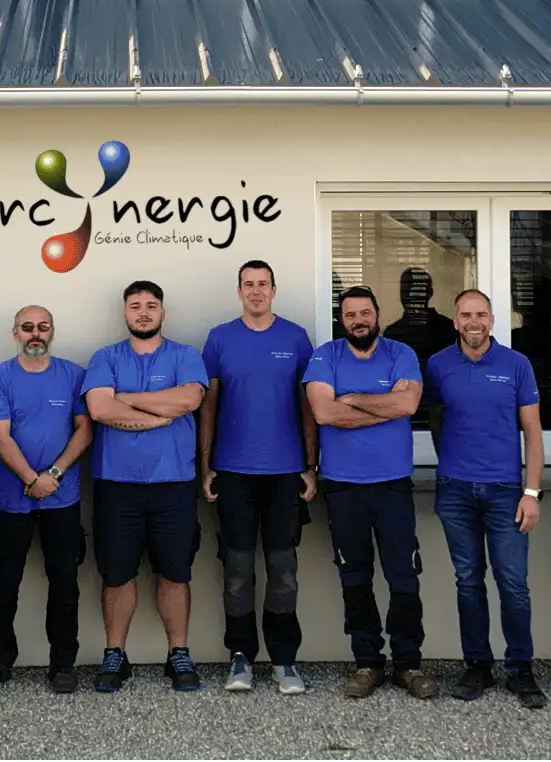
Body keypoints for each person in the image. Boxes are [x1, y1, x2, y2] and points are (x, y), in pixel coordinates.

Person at [302, 285, 437, 700]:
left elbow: (407, 406)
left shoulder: (401, 354)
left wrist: (353, 400)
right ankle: (368, 663)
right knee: (354, 577)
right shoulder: (326, 356)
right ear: (341, 320)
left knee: (403, 576)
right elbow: (323, 411)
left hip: (392, 484)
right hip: (343, 486)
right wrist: (383, 405)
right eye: (350, 315)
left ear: (377, 314)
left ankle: (409, 665)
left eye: (365, 313)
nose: (358, 321)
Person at [82, 280, 210, 693]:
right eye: (135, 305)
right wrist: (157, 415)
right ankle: (115, 655)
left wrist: (127, 398)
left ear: (162, 312)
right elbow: (99, 408)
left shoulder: (185, 355)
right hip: (117, 484)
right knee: (117, 573)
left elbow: (189, 400)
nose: (143, 312)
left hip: (173, 482)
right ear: (125, 313)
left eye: (151, 305)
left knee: (175, 571)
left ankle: (179, 653)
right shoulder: (105, 357)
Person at [423, 289, 548, 708]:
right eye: (465, 315)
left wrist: (531, 492)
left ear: (492, 320)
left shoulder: (516, 365)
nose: (473, 322)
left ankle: (520, 668)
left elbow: (533, 433)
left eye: (481, 314)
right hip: (455, 490)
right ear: (455, 321)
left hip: (505, 492)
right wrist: (451, 464)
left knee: (513, 583)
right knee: (468, 580)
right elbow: (437, 422)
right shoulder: (439, 365)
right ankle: (477, 664)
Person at [197, 260, 316, 695]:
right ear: (239, 291)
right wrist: (206, 466)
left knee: (283, 569)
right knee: (237, 570)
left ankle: (284, 659)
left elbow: (309, 404)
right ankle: (241, 656)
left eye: (263, 284)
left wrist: (310, 465)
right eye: (248, 284)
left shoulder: (296, 338)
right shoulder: (219, 338)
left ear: (273, 289)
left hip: (285, 472)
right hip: (233, 472)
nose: (256, 291)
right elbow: (208, 405)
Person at [0, 305, 93, 694]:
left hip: (62, 499)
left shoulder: (73, 375)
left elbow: (85, 430)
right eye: (27, 327)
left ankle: (63, 663)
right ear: (15, 334)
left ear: (52, 331)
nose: (35, 333)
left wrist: (52, 475)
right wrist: (31, 479)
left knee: (65, 582)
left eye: (42, 326)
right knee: (4, 582)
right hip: (11, 502)